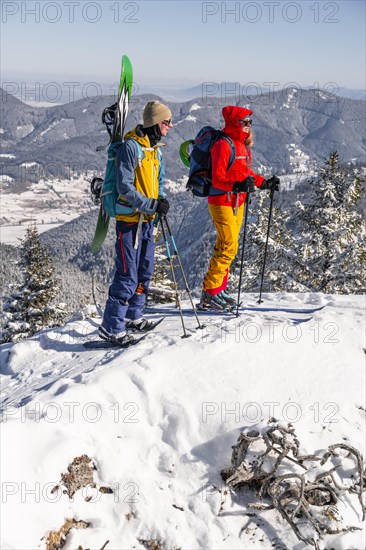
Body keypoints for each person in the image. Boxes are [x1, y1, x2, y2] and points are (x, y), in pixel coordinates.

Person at [99, 101, 173, 344]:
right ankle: (111, 326)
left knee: (144, 271)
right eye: (166, 122)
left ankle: (133, 315)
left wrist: (160, 200)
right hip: (130, 221)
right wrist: (151, 205)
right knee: (127, 275)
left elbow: (159, 182)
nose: (170, 127)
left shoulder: (155, 151)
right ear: (154, 122)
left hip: (147, 222)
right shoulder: (131, 148)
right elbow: (124, 187)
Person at [201, 105, 280, 310]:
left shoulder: (242, 145)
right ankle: (209, 292)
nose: (248, 125)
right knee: (228, 245)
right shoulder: (223, 145)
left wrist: (264, 183)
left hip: (237, 202)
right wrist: (235, 185)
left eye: (249, 122)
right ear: (234, 123)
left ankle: (220, 289)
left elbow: (246, 174)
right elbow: (217, 179)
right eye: (244, 122)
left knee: (228, 245)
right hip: (221, 201)